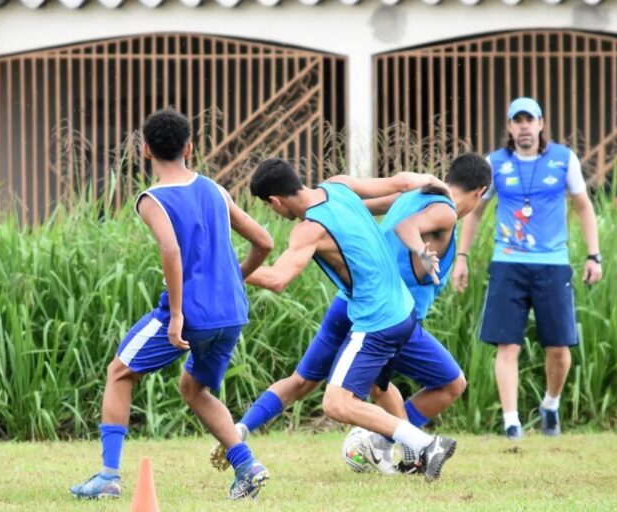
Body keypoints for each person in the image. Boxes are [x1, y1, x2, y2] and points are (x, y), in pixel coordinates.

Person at [209, 154, 491, 475]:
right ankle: (239, 432)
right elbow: (401, 181)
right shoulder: (338, 186)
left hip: (376, 317)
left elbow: (277, 279)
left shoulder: (309, 229)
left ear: (274, 201)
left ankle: (423, 444)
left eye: (269, 207)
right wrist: (430, 180)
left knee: (337, 402)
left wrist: (222, 269)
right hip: (393, 307)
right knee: (369, 387)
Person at [69, 109, 274, 500]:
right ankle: (247, 467)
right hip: (231, 313)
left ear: (145, 151)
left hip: (190, 313)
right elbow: (264, 241)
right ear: (190, 147)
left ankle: (109, 477)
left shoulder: (153, 199)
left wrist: (177, 315)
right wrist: (235, 279)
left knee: (118, 373)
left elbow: (171, 250)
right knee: (195, 390)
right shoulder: (215, 189)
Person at [452, 97, 602, 439]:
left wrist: (594, 256)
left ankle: (550, 404)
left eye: (529, 120)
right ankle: (511, 422)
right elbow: (475, 211)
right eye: (516, 120)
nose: (523, 126)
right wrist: (461, 256)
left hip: (553, 264)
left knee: (559, 349)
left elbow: (583, 207)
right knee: (507, 345)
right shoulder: (496, 164)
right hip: (508, 262)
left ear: (540, 124)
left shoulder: (564, 160)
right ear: (508, 127)